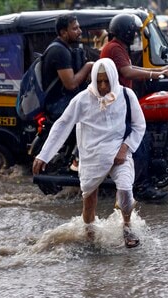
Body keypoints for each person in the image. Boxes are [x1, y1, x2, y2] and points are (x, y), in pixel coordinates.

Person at [32, 58, 147, 248]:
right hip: (92, 156)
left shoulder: (127, 95)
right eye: (99, 81)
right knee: (89, 201)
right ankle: (89, 235)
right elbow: (62, 125)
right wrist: (44, 155)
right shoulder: (82, 100)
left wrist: (125, 148)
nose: (102, 86)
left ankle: (127, 226)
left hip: (119, 153)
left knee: (126, 189)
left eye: (106, 81)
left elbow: (139, 125)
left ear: (113, 78)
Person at [100, 13, 168, 201]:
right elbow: (128, 72)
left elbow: (132, 68)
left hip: (121, 102)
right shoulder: (115, 48)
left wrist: (158, 71)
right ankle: (141, 186)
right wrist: (156, 75)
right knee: (140, 140)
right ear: (126, 32)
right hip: (115, 106)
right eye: (133, 32)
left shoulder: (118, 48)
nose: (135, 36)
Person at [42, 14, 94, 121]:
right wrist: (88, 66)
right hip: (57, 106)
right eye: (75, 29)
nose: (80, 31)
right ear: (63, 32)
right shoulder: (59, 51)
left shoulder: (64, 48)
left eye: (79, 27)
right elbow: (71, 84)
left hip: (60, 102)